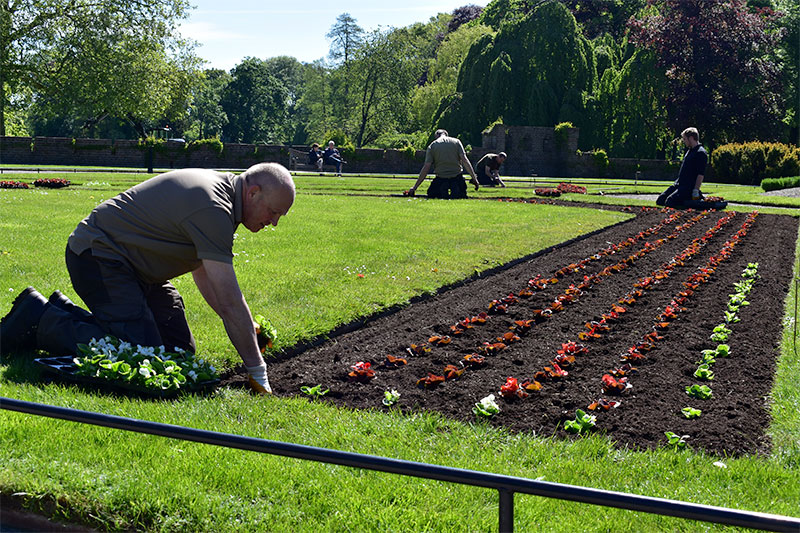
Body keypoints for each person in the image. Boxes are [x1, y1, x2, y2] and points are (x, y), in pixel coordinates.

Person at [0, 162, 295, 394]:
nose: (274, 222)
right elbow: (231, 300)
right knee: (146, 357)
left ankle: (60, 310)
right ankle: (40, 319)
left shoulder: (224, 199)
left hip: (135, 270)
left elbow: (205, 273)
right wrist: (257, 370)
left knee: (178, 354)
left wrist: (246, 327)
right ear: (253, 192)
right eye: (273, 211)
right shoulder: (214, 206)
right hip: (99, 258)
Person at [407, 129, 479, 199]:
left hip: (441, 178)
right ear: (446, 134)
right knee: (460, 195)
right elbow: (465, 160)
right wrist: (474, 178)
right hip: (457, 178)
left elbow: (426, 167)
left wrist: (414, 187)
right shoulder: (457, 142)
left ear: (436, 136)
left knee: (432, 194)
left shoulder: (432, 146)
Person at [656, 127, 708, 208]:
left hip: (688, 186)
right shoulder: (690, 151)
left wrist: (696, 190)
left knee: (670, 202)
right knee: (660, 200)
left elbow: (700, 174)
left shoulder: (701, 153)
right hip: (679, 184)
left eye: (685, 139)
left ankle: (690, 202)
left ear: (691, 138)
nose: (684, 141)